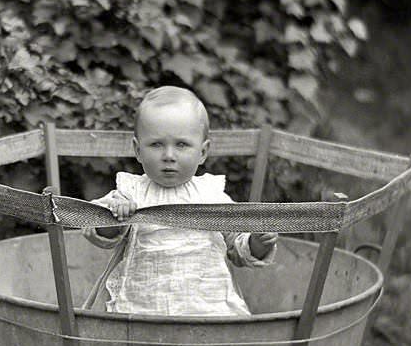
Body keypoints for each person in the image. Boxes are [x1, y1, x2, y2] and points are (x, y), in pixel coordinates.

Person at [86, 86, 277, 316]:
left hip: (207, 308)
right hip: (144, 309)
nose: (169, 155)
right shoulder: (130, 192)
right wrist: (115, 215)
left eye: (182, 145)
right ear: (137, 150)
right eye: (156, 144)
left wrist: (258, 243)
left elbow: (237, 247)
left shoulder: (212, 195)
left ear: (203, 152)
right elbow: (95, 229)